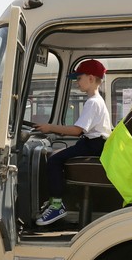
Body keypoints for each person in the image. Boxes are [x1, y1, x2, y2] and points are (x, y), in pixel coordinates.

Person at [33, 59, 112, 226]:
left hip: (93, 145)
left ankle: (57, 205)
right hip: (93, 143)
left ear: (91, 78)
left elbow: (77, 130)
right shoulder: (97, 100)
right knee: (56, 156)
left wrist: (50, 128)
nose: (77, 83)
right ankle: (55, 199)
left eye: (79, 78)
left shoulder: (92, 102)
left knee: (54, 160)